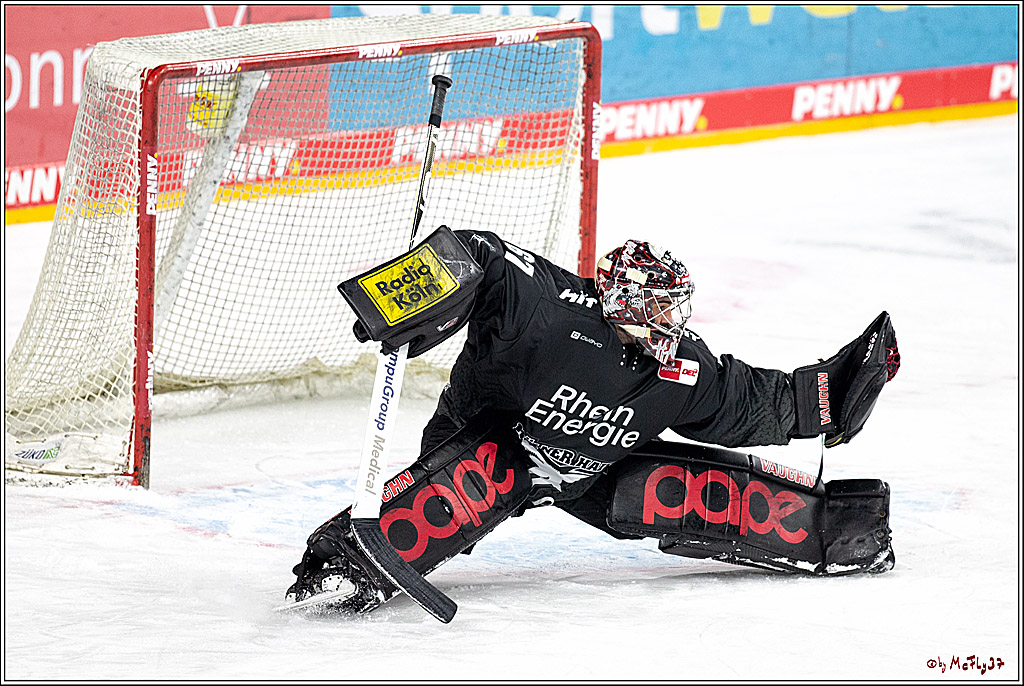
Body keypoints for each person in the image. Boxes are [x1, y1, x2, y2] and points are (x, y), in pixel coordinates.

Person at [285, 229, 901, 613]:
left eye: (674, 312)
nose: (670, 327)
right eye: (656, 311)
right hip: (496, 441)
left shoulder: (680, 367)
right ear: (622, 303)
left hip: (591, 469)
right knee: (482, 471)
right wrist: (411, 293)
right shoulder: (551, 313)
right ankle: (346, 561)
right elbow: (483, 256)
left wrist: (830, 398)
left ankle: (840, 530)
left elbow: (746, 403)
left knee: (674, 490)